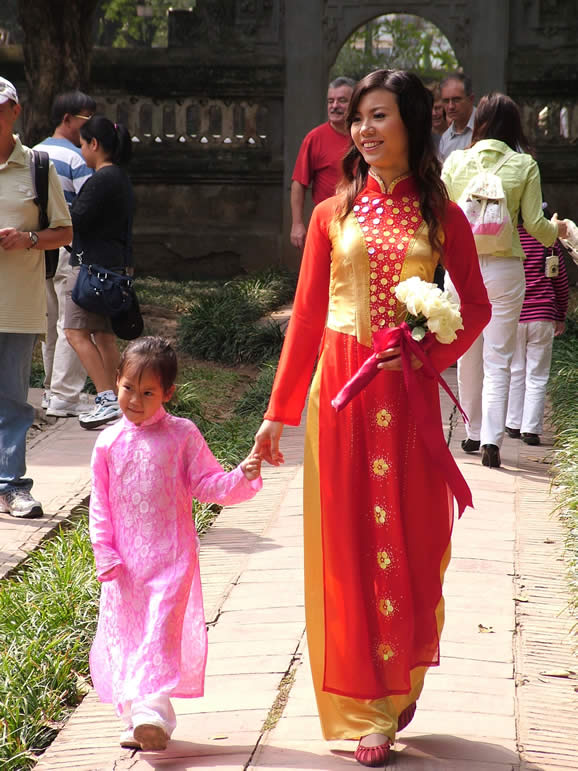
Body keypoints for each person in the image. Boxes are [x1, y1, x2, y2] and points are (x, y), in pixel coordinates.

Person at [253, 69, 491, 767]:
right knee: (350, 543)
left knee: (414, 538)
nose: (364, 129)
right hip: (343, 401)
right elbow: (307, 317)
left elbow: (473, 305)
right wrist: (278, 413)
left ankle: (402, 668)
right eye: (359, 117)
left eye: (379, 115)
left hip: (408, 399)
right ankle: (368, 707)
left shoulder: (440, 214)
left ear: (411, 123)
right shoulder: (333, 211)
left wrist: (426, 350)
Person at [89, 336, 262, 751]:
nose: (135, 399)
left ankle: (152, 716)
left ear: (167, 393)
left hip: (172, 560)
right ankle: (136, 720)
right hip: (126, 568)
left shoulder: (182, 435)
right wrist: (105, 552)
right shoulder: (108, 443)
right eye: (129, 388)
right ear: (117, 382)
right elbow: (100, 506)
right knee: (131, 638)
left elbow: (208, 483)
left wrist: (243, 473)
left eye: (148, 392)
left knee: (160, 635)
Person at [442, 93, 568, 468]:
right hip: (505, 269)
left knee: (468, 353)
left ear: (478, 121)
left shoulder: (455, 160)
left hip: (461, 269)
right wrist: (559, 230)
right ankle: (493, 442)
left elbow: (442, 216)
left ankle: (472, 431)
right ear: (514, 125)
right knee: (500, 357)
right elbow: (537, 228)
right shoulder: (524, 165)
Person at [0, 77, 72, 519]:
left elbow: (64, 232)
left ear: (15, 111)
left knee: (12, 398)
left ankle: (12, 485)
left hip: (19, 304)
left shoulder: (38, 166)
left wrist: (27, 238)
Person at [63, 115, 135, 429]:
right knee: (104, 336)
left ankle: (107, 398)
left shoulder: (101, 180)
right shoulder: (121, 178)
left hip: (93, 269)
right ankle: (124, 399)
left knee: (75, 331)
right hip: (114, 267)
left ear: (94, 144)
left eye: (81, 144)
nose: (81, 151)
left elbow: (75, 220)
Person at [35, 91, 95, 418]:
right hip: (69, 249)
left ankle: (49, 391)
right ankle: (65, 395)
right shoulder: (77, 159)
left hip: (37, 248)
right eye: (87, 119)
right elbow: (88, 208)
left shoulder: (31, 153)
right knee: (71, 322)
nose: (91, 127)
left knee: (49, 321)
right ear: (67, 119)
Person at [505, 224, 569, 445]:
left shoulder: (507, 238)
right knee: (537, 374)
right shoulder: (547, 239)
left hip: (513, 313)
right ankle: (531, 429)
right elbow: (560, 281)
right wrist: (560, 314)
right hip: (543, 314)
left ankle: (513, 423)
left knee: (516, 370)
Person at [290, 76, 355, 249]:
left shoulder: (365, 136)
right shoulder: (315, 138)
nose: (334, 106)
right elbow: (299, 183)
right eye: (330, 101)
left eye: (342, 101)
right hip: (328, 224)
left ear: (355, 103)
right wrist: (297, 224)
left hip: (364, 223)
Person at [438, 73, 476, 161]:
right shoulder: (445, 138)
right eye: (446, 101)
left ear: (471, 99)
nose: (451, 106)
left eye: (456, 100)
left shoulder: (488, 126)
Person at [429, 83, 448, 151]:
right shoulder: (423, 136)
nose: (433, 113)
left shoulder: (456, 133)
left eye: (438, 108)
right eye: (429, 109)